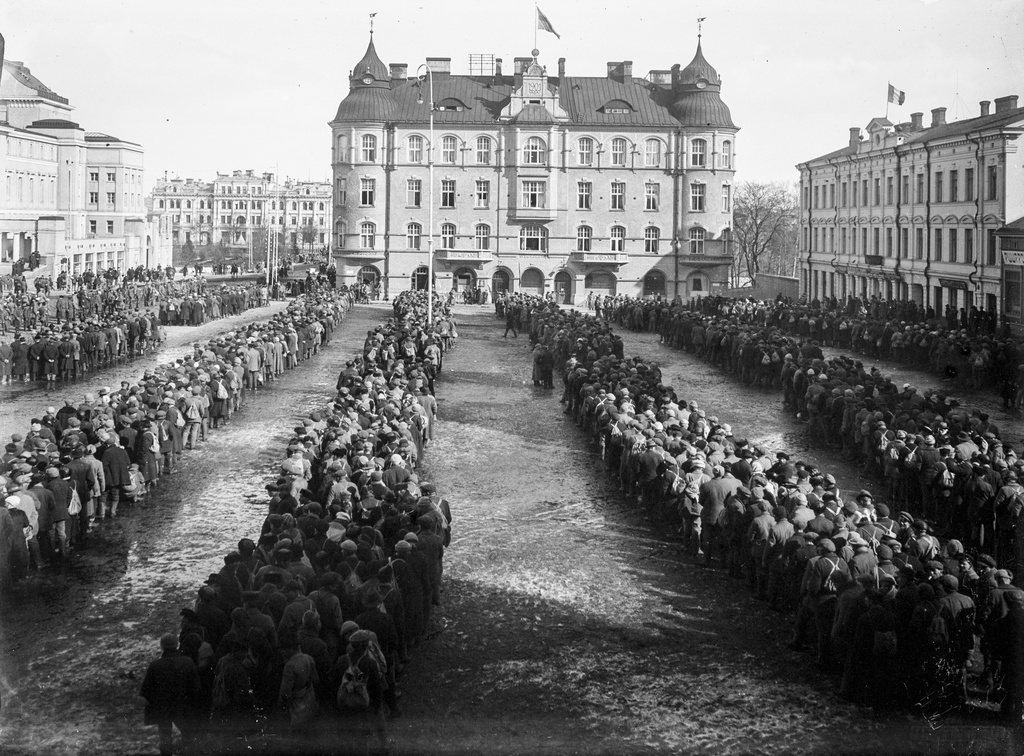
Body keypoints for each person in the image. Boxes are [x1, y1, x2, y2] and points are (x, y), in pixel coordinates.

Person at [140, 633, 201, 756]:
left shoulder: (155, 665)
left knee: (165, 738)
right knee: (188, 736)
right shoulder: (187, 662)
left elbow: (145, 690)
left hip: (163, 708)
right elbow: (196, 687)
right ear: (177, 645)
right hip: (183, 705)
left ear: (162, 646)